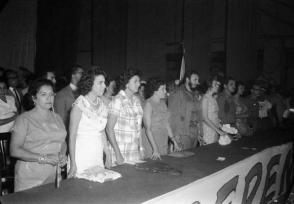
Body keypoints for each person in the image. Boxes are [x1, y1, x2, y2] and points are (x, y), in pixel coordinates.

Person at [10, 79, 67, 192]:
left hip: (53, 174)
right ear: (34, 98)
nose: (49, 98)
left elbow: (62, 141)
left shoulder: (57, 117)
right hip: (30, 176)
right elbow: (14, 150)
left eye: (51, 94)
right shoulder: (24, 119)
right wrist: (44, 158)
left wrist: (62, 154)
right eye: (43, 94)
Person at [68, 68, 110, 178]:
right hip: (81, 156)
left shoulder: (102, 104)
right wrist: (73, 164)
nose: (104, 86)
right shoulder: (79, 105)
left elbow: (101, 131)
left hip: (97, 155)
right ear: (90, 84)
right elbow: (71, 136)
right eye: (100, 83)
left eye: (104, 83)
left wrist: (108, 152)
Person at [106, 69, 143, 165]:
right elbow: (109, 129)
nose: (139, 84)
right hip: (120, 151)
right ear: (126, 83)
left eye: (139, 81)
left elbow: (138, 127)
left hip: (134, 151)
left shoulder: (136, 101)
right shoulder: (118, 101)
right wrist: (117, 154)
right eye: (135, 81)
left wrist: (141, 147)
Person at [142, 78, 181, 159]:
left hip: (163, 138)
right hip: (151, 141)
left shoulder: (163, 103)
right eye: (162, 89)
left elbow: (166, 124)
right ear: (154, 90)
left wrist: (174, 141)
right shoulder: (148, 104)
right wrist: (155, 148)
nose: (165, 91)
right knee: (152, 167)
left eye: (165, 89)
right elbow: (147, 129)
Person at [168, 70, 201, 150]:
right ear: (187, 79)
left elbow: (198, 113)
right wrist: (176, 134)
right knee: (183, 158)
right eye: (195, 80)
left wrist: (199, 131)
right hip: (183, 132)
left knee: (192, 156)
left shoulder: (195, 94)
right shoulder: (178, 92)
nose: (197, 82)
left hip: (194, 131)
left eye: (198, 80)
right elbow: (172, 115)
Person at [200, 75, 226, 145]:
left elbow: (214, 116)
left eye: (218, 84)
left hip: (215, 130)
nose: (218, 86)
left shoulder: (213, 98)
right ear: (209, 85)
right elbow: (204, 118)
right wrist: (218, 130)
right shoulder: (205, 98)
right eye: (215, 84)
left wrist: (221, 126)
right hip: (208, 132)